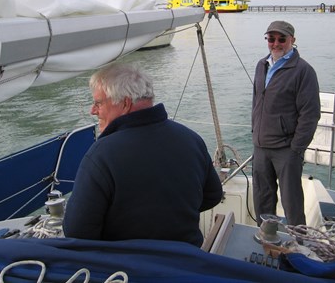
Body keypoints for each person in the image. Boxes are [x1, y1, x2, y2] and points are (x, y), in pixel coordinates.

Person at [63, 63, 223, 247]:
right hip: (187, 260)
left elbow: (76, 231)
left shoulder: (101, 155)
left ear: (125, 103)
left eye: (98, 103)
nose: (93, 110)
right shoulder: (191, 138)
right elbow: (213, 195)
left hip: (127, 270)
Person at [251, 20, 321, 227]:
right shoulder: (261, 65)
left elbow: (310, 114)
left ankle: (299, 245)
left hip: (286, 150)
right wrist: (255, 131)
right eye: (271, 39)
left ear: (292, 40)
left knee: (292, 203)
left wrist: (296, 149)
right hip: (261, 147)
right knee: (262, 198)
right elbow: (256, 101)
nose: (276, 43)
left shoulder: (303, 71)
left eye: (282, 39)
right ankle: (265, 239)